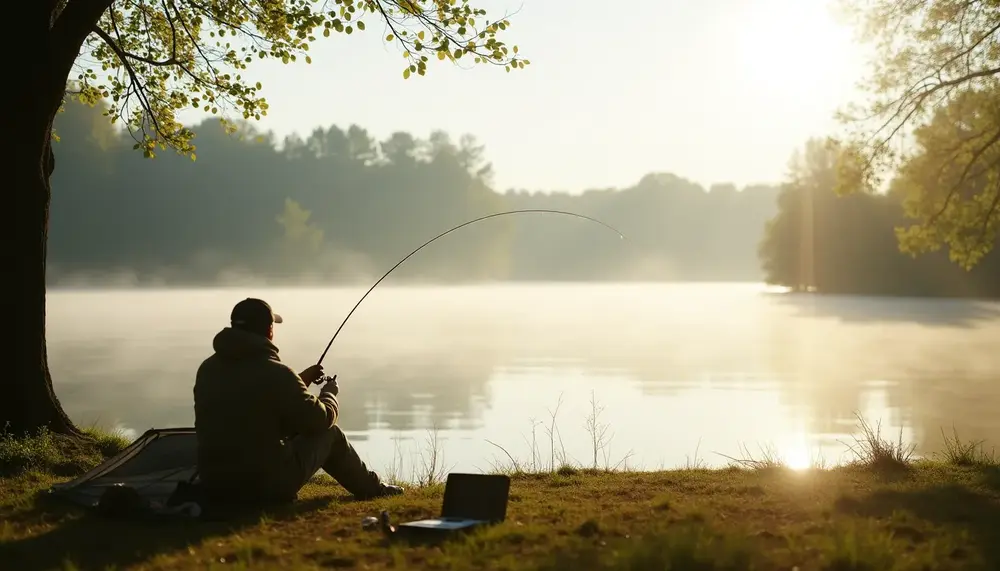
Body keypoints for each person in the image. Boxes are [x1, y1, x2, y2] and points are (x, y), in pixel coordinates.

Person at [193, 297, 403, 504]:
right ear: (269, 331)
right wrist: (329, 394)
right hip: (261, 488)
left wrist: (301, 379)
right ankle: (373, 489)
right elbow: (318, 421)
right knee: (329, 433)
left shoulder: (208, 369)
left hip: (215, 486)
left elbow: (254, 402)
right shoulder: (277, 373)